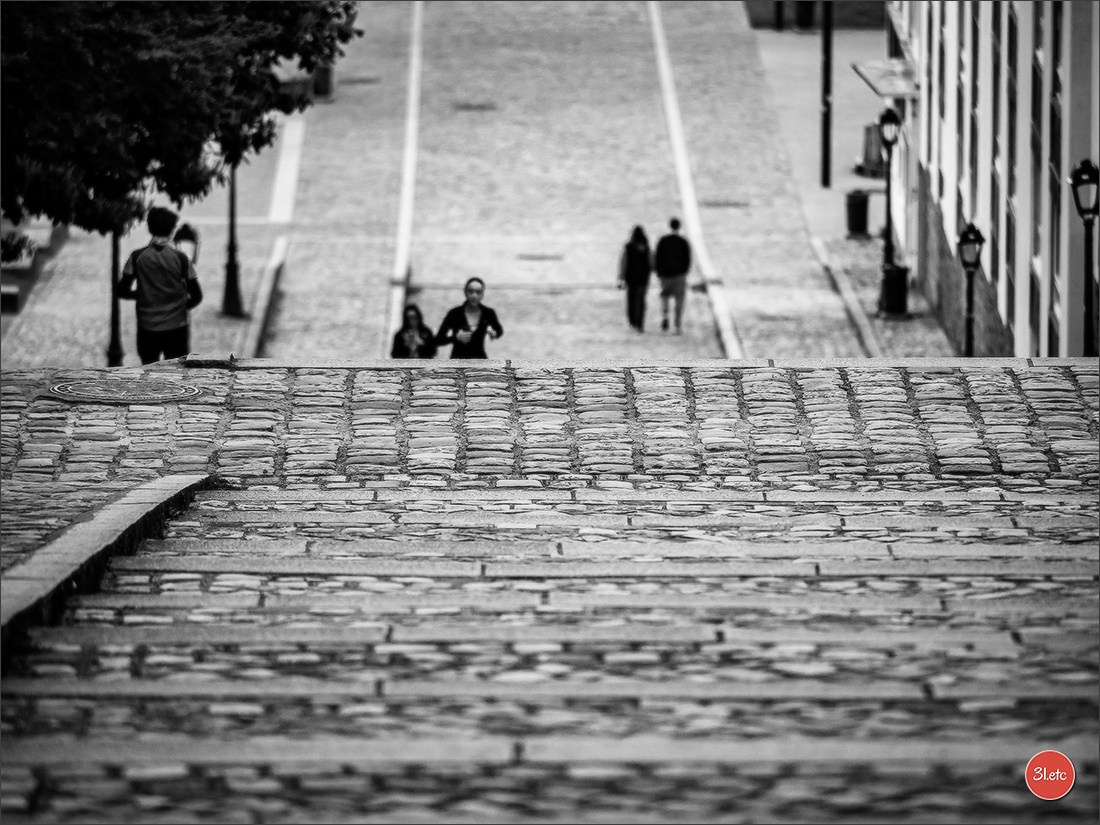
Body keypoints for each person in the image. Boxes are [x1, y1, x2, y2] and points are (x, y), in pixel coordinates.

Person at [115, 206, 203, 364]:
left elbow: (122, 290)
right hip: (177, 328)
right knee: (178, 373)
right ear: (171, 230)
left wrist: (143, 296)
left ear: (149, 228)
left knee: (149, 372)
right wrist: (178, 306)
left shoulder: (137, 258)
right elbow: (196, 296)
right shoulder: (181, 259)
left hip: (147, 327)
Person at [436, 277, 503, 359]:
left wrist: (493, 333)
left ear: (482, 295)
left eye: (478, 292)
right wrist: (455, 338)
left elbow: (499, 331)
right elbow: (438, 340)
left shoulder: (488, 313)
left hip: (480, 361)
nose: (474, 296)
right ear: (465, 292)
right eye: (471, 291)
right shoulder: (454, 313)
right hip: (458, 362)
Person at [654, 216, 692, 334]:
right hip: (679, 276)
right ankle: (677, 325)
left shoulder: (663, 240)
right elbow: (688, 259)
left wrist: (659, 272)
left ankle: (665, 315)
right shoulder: (683, 242)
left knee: (664, 296)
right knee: (679, 301)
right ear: (679, 226)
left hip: (665, 275)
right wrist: (684, 272)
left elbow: (657, 257)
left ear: (669, 225)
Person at [618, 225, 652, 332]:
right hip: (643, 278)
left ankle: (632, 320)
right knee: (641, 300)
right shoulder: (646, 247)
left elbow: (624, 262)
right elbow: (651, 262)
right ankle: (640, 323)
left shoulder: (628, 247)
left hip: (631, 278)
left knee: (631, 300)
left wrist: (621, 277)